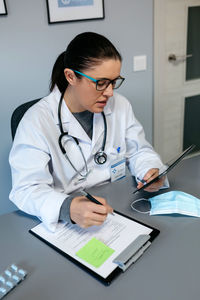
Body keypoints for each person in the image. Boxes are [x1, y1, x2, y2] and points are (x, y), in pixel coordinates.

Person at [9, 32, 166, 232]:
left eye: (114, 81)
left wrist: (149, 170)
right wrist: (67, 208)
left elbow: (138, 150)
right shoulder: (36, 121)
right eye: (101, 83)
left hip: (118, 207)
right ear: (71, 76)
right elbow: (25, 189)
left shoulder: (120, 105)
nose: (109, 92)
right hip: (68, 221)